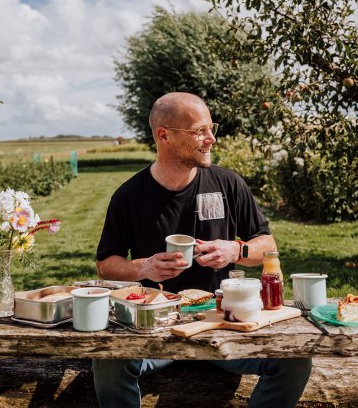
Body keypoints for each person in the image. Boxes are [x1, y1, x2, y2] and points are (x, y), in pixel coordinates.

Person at [93, 92, 311, 408]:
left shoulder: (228, 183)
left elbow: (268, 248)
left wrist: (236, 251)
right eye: (199, 131)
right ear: (163, 135)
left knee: (296, 362)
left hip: (226, 320)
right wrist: (144, 268)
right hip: (156, 326)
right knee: (108, 361)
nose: (210, 139)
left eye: (212, 129)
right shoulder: (128, 195)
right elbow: (105, 264)